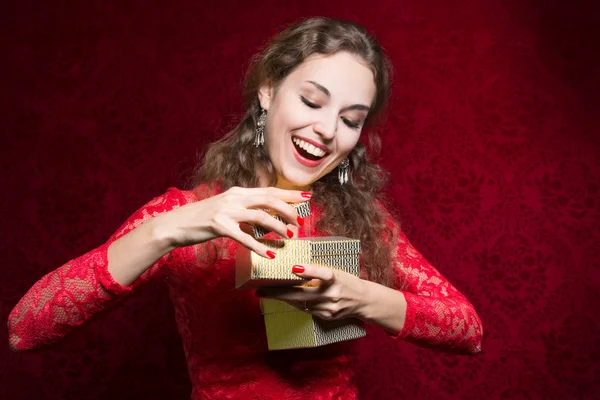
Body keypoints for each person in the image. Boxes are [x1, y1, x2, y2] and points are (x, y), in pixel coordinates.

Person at [8, 17, 483, 399]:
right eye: (312, 101)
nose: (326, 129)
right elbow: (26, 329)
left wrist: (363, 298)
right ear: (268, 92)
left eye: (350, 119)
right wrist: (167, 229)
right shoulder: (184, 213)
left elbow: (468, 330)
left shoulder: (360, 219)